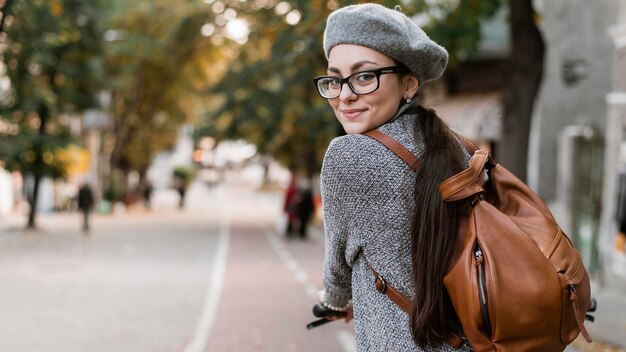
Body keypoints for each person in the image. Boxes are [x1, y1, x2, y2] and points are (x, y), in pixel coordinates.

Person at [315, 4, 471, 351]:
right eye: (334, 78)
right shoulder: (456, 147)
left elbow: (337, 269)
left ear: (409, 84)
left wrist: (335, 302)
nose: (344, 95)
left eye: (364, 76)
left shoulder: (349, 155)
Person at [283, 173, 301, 238]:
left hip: (295, 207)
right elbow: (287, 199)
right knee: (290, 220)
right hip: (291, 207)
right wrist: (284, 207)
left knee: (294, 220)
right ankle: (289, 232)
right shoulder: (290, 190)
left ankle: (292, 232)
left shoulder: (296, 189)